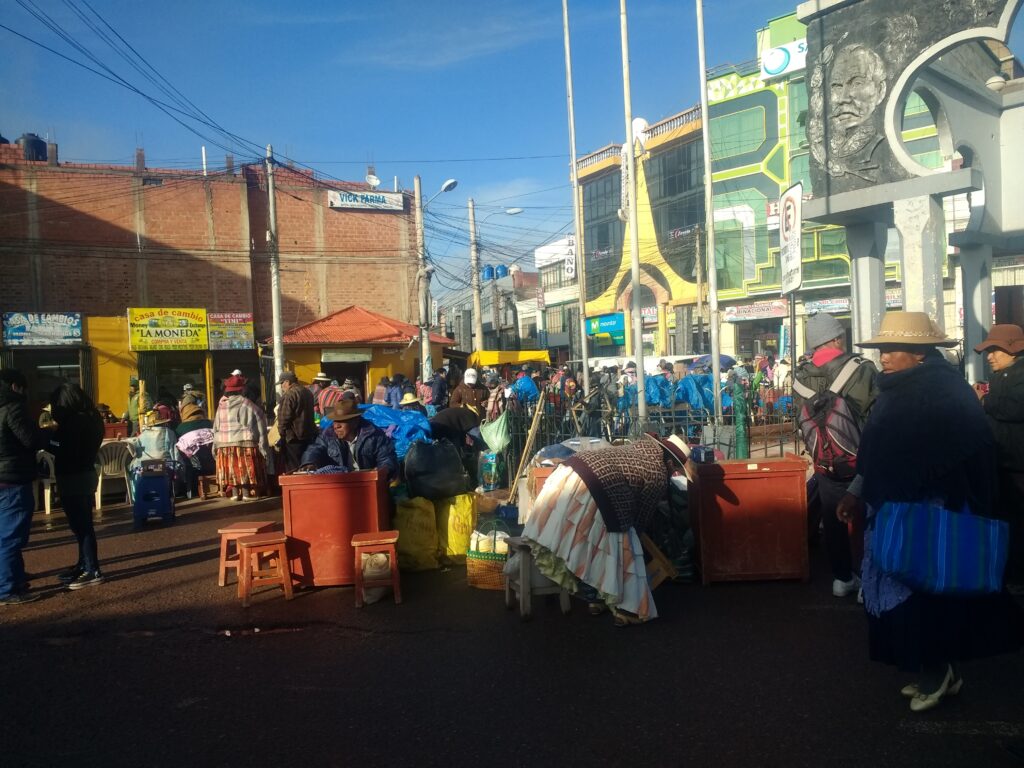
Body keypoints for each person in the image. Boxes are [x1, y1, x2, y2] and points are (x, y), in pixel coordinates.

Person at [837, 311, 1023, 712]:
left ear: (919, 353)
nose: (883, 357)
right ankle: (940, 671)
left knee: (925, 595)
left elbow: (967, 451)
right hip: (895, 507)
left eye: (892, 349)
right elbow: (876, 450)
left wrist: (933, 488)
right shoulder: (896, 389)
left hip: (932, 512)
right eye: (881, 349)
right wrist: (857, 491)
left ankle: (935, 674)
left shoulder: (943, 390)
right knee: (906, 591)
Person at [517, 433, 689, 626]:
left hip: (567, 473)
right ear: (672, 465)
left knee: (583, 544)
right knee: (619, 548)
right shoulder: (658, 472)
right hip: (597, 488)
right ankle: (627, 609)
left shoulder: (640, 448)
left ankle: (595, 599)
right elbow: (642, 516)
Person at [793, 312, 877, 599]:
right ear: (837, 338)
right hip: (861, 458)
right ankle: (869, 578)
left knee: (832, 519)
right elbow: (875, 415)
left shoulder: (801, 375)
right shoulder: (860, 368)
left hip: (824, 459)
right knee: (868, 518)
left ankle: (842, 578)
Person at [974, 324, 1024, 587]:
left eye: (995, 350)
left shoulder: (1020, 374)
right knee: (1006, 522)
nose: (990, 356)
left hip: (1018, 467)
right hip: (1002, 464)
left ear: (1013, 350)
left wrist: (984, 401)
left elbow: (1016, 406)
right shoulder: (1001, 376)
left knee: (1017, 524)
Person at [47, 383, 105, 590]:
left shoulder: (74, 423)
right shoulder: (93, 418)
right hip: (86, 473)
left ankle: (91, 569)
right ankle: (84, 564)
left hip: (74, 477)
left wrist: (48, 440)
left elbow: (63, 448)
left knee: (82, 526)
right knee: (83, 525)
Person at [0, 369, 42, 605]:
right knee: (11, 535)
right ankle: (6, 589)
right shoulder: (13, 407)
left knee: (4, 534)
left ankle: (16, 579)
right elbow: (30, 440)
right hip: (12, 478)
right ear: (16, 387)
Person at [300, 400, 398, 481]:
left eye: (342, 421)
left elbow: (387, 459)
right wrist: (309, 462)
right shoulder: (328, 435)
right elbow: (315, 448)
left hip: (367, 485)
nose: (336, 426)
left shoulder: (374, 436)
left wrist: (380, 472)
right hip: (339, 485)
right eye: (335, 421)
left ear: (355, 422)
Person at [213, 374, 271, 501]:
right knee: (243, 467)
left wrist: (215, 446)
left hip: (224, 444)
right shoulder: (247, 404)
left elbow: (215, 427)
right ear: (241, 389)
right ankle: (246, 493)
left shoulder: (221, 406)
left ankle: (235, 493)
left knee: (232, 468)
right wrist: (263, 445)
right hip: (244, 444)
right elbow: (260, 421)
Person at [275, 371, 316, 472]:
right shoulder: (308, 392)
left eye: (282, 383)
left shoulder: (289, 394)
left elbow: (284, 418)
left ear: (287, 382)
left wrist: (282, 435)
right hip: (308, 436)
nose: (281, 386)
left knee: (293, 469)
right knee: (306, 466)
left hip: (294, 438)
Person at [124, 407, 181, 475]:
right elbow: (175, 454)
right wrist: (180, 468)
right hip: (163, 467)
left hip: (144, 468)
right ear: (162, 422)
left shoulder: (142, 435)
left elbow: (137, 452)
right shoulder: (168, 432)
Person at [175, 402, 215, 494]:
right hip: (212, 458)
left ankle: (191, 489)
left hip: (193, 463)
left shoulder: (181, 427)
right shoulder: (209, 422)